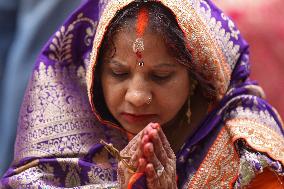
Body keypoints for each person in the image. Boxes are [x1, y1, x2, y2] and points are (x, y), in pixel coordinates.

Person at [1, 0, 283, 188]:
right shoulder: (59, 155)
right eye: (119, 73)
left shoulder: (247, 156)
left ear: (197, 75)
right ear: (94, 73)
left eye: (161, 76)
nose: (137, 96)